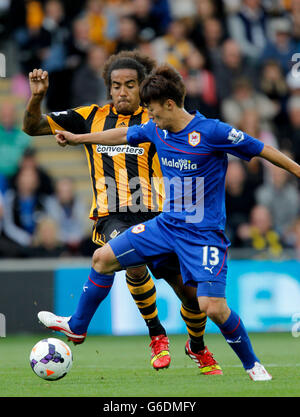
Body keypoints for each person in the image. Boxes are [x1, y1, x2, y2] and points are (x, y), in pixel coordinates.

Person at [54, 64, 300, 381]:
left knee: (212, 307)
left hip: (203, 236)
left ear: (170, 104)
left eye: (154, 112)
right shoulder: (157, 129)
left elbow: (261, 149)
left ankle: (252, 363)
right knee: (102, 258)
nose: (150, 119)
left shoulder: (213, 132)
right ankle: (76, 327)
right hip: (166, 226)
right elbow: (122, 133)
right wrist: (78, 138)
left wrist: (296, 170)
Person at [22, 52, 222, 374]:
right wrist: (37, 98)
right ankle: (157, 335)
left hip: (158, 216)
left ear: (142, 87)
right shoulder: (89, 116)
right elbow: (32, 127)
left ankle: (196, 346)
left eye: (130, 85)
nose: (122, 92)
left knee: (192, 295)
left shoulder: (156, 120)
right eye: (116, 86)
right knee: (129, 256)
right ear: (108, 88)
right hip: (112, 215)